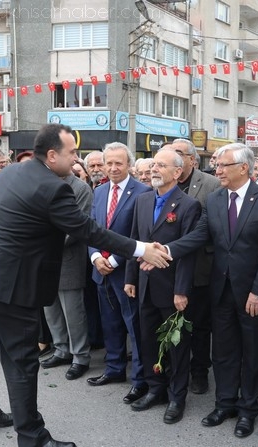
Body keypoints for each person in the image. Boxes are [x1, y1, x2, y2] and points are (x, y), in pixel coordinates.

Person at [0, 123, 170, 447]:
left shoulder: (14, 171)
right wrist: (142, 248)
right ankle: (33, 437)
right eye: (72, 153)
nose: (77, 160)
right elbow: (90, 231)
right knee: (22, 361)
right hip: (9, 286)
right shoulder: (52, 188)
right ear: (52, 154)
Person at [164, 143, 258, 439]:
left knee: (254, 354)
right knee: (224, 352)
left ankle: (248, 410)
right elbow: (199, 236)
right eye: (216, 165)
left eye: (222, 165)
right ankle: (225, 403)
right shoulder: (216, 199)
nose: (216, 170)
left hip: (253, 295)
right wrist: (166, 249)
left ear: (243, 168)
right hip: (221, 290)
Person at [124, 149, 201, 423]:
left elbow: (188, 252)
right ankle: (155, 389)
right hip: (144, 286)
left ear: (177, 172)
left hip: (171, 290)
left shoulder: (188, 205)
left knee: (177, 347)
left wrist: (181, 290)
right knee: (147, 342)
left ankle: (177, 396)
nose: (154, 169)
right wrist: (130, 278)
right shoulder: (143, 201)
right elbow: (136, 242)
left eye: (161, 165)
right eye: (153, 164)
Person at [86, 142, 151, 405]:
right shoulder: (99, 192)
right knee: (109, 323)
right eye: (108, 163)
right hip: (100, 271)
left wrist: (113, 259)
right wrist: (94, 257)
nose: (112, 168)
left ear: (129, 165)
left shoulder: (143, 193)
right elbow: (90, 228)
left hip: (126, 273)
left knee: (133, 326)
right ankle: (114, 369)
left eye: (118, 163)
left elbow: (139, 235)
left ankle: (140, 380)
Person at [163, 139, 220, 395]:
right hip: (167, 266)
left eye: (179, 153)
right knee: (174, 322)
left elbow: (214, 228)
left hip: (200, 266)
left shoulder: (211, 184)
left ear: (192, 160)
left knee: (199, 324)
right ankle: (175, 370)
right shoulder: (164, 183)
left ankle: (199, 371)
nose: (173, 156)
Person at [41, 171, 93, 380]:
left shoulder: (80, 188)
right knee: (50, 309)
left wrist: (43, 245)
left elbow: (78, 226)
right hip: (42, 259)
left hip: (68, 259)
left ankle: (80, 356)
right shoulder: (43, 184)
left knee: (73, 312)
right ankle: (61, 350)